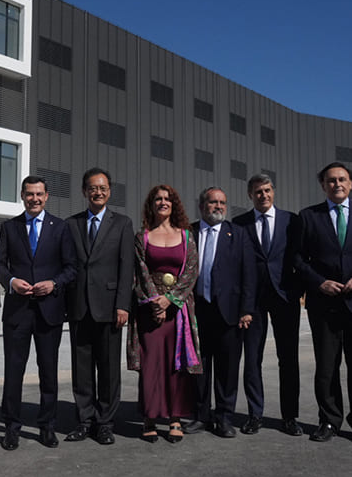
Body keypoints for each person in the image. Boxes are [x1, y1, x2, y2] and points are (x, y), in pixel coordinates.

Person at [295, 162, 352, 444]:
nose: (337, 184)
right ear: (323, 185)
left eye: (342, 179)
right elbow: (297, 259)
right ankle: (329, 421)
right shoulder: (309, 216)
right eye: (331, 180)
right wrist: (318, 282)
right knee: (326, 367)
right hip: (324, 303)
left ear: (351, 183)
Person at [0, 175, 76, 450]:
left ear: (46, 196)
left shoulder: (61, 227)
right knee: (14, 371)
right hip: (18, 311)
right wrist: (11, 282)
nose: (34, 198)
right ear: (22, 195)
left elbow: (70, 267)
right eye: (29, 194)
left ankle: (47, 426)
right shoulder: (9, 227)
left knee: (48, 371)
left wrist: (54, 283)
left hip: (49, 310)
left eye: (39, 194)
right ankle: (11, 426)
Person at [65, 168, 135, 445]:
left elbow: (126, 267)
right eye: (93, 188)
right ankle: (85, 420)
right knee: (81, 369)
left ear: (109, 191)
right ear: (84, 191)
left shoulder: (122, 223)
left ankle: (105, 422)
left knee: (108, 369)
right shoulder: (71, 224)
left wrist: (123, 305)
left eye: (103, 188)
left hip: (109, 307)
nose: (98, 192)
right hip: (80, 306)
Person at [127, 184, 200, 443]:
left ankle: (175, 418)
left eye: (167, 199)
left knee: (175, 364)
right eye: (158, 199)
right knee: (151, 365)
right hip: (149, 310)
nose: (163, 202)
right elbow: (140, 271)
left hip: (178, 310)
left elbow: (192, 271)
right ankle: (149, 416)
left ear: (174, 204)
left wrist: (170, 300)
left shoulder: (187, 236)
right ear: (151, 204)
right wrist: (154, 302)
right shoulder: (141, 237)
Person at [233, 174, 303, 436]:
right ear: (250, 195)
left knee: (288, 358)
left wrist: (298, 290)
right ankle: (255, 414)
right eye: (257, 192)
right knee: (252, 359)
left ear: (274, 191)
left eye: (267, 190)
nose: (263, 195)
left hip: (285, 297)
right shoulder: (240, 224)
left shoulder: (291, 221)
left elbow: (301, 256)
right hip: (253, 301)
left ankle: (289, 417)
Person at [186, 188, 255, 439]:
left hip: (229, 313)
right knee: (198, 368)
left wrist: (247, 309)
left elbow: (249, 274)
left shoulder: (238, 234)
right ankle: (199, 415)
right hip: (197, 311)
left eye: (222, 203)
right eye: (213, 202)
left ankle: (224, 417)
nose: (218, 206)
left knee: (227, 368)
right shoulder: (189, 232)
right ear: (202, 205)